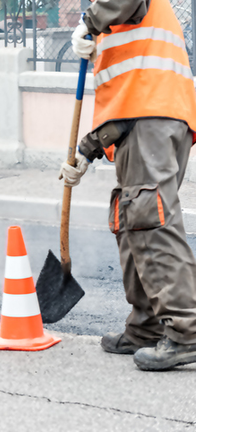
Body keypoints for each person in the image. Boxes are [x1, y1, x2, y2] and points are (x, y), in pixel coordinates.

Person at [59, 0, 196, 371]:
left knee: (151, 221)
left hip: (155, 115)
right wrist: (88, 148)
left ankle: (186, 332)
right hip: (146, 117)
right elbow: (126, 103)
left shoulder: (108, 10)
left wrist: (88, 23)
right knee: (134, 222)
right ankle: (146, 327)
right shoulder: (120, 23)